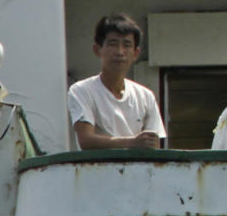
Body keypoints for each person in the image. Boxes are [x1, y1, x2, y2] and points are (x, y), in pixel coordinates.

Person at [68, 13, 166, 149]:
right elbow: (86, 141)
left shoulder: (145, 96)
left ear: (136, 53)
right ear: (97, 50)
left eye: (127, 45)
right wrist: (133, 143)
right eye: (113, 44)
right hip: (96, 169)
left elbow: (154, 145)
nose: (120, 52)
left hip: (138, 169)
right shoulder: (81, 90)